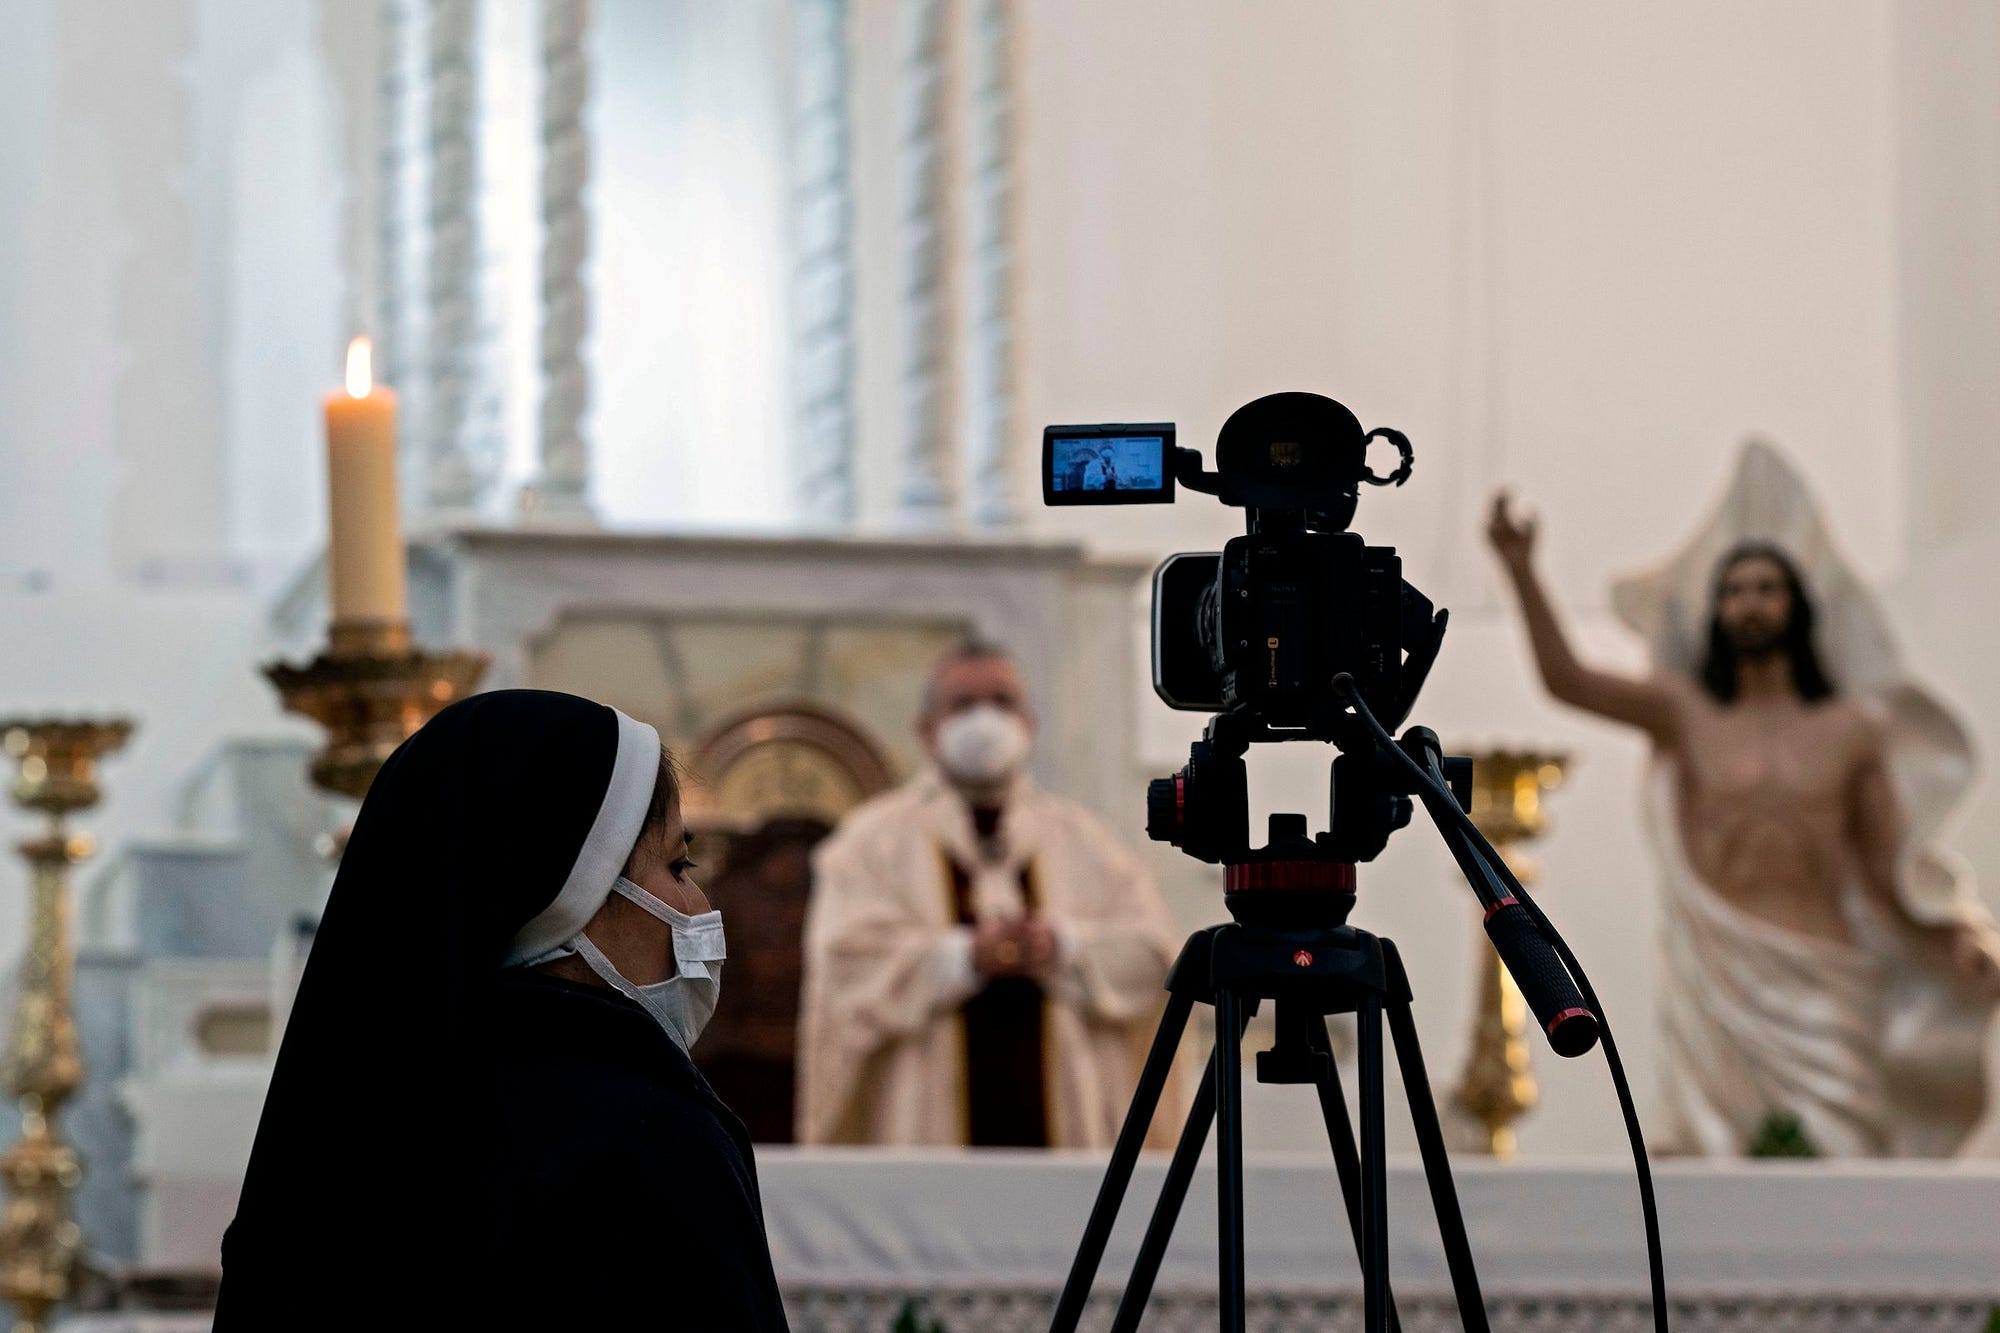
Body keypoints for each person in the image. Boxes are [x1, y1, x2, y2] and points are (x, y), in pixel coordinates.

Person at [214, 690, 788, 1330]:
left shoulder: (347, 1130)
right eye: (679, 864)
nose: (699, 902)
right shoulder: (654, 1136)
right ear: (573, 894)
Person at [1489, 492, 2000, 1156]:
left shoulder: (1851, 730)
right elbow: (1569, 681)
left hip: (1826, 982)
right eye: (1733, 591)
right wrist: (1522, 569)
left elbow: (1890, 865)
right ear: (1717, 611)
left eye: (1766, 588)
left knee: (1841, 1162)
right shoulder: (1688, 714)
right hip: (1722, 978)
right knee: (1709, 1168)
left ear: (1798, 607)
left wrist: (1958, 932)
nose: (1750, 603)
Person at [797, 641, 1182, 1148]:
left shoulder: (1089, 842)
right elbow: (844, 963)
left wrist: (1063, 947)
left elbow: (1158, 958)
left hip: (1070, 1135)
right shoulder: (869, 843)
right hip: (922, 1134)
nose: (985, 719)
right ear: (926, 730)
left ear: (1029, 724)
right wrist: (963, 958)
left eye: (1002, 703)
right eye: (962, 705)